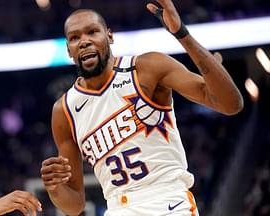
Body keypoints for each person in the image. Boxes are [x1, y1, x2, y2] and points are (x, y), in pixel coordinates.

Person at [40, 0, 244, 215]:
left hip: (169, 201)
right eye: (75, 38)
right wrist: (55, 188)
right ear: (69, 50)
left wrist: (181, 33)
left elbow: (231, 104)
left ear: (109, 36)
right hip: (119, 208)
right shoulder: (64, 110)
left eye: (92, 32)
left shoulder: (147, 68)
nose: (84, 42)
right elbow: (75, 205)